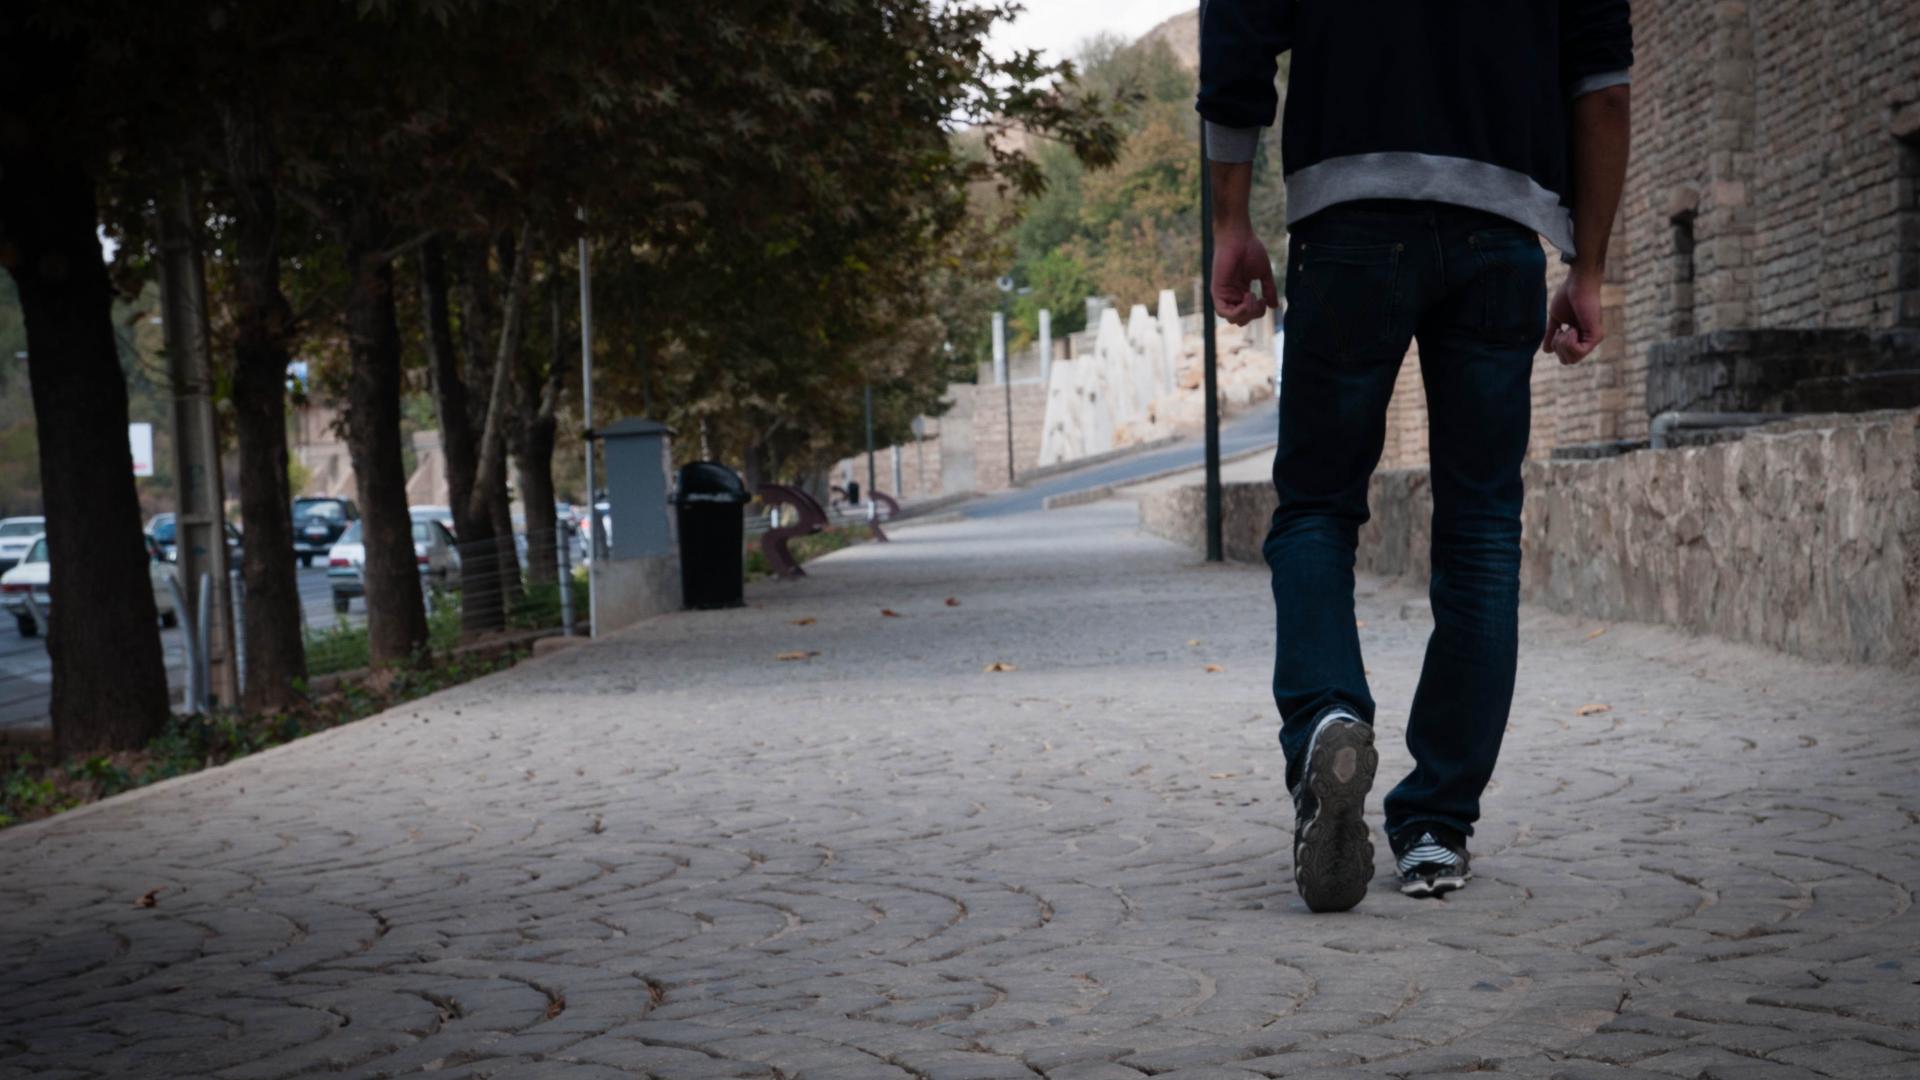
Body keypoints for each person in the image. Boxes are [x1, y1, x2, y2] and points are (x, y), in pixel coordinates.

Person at [1198, 1, 1632, 911]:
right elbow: (1601, 90)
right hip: (1496, 232)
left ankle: (1326, 720)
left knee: (1316, 509)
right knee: (1478, 529)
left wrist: (1231, 219)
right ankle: (1435, 824)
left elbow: (1236, 31)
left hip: (1349, 222)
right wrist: (1587, 267)